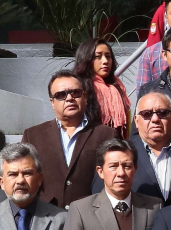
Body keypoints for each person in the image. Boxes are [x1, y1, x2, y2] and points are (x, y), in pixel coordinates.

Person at [22, 71, 119, 210]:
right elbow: (25, 175)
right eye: (61, 95)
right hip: (46, 216)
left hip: (92, 215)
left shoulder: (106, 134)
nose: (69, 98)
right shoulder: (32, 135)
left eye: (75, 92)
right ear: (52, 102)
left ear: (85, 97)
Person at [127, 87, 171, 205]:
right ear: (136, 121)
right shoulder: (122, 154)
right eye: (147, 114)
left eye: (162, 113)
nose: (155, 119)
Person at [72, 38, 131, 138]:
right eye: (98, 57)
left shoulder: (118, 86)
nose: (105, 61)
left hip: (116, 146)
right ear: (86, 59)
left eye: (108, 56)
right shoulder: (78, 88)